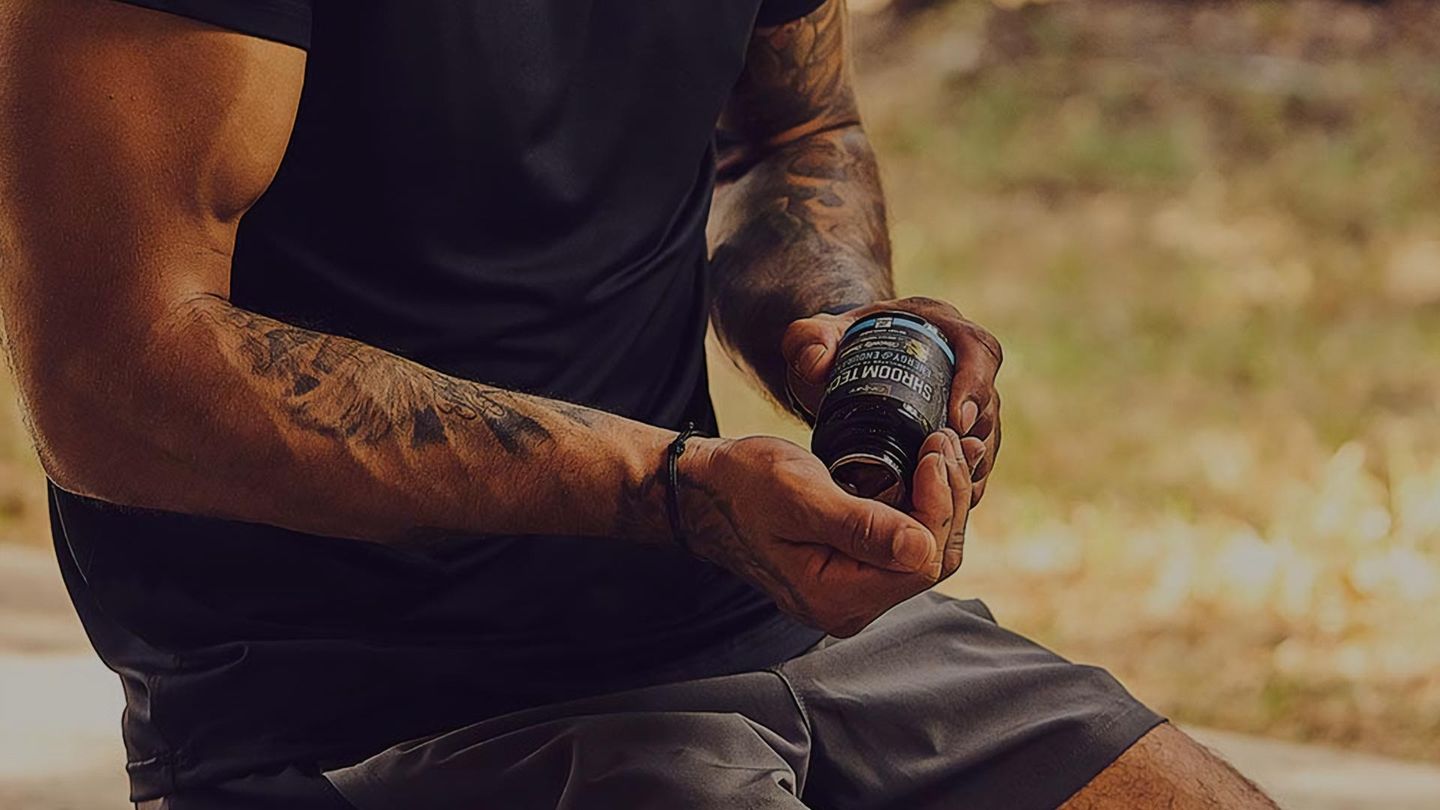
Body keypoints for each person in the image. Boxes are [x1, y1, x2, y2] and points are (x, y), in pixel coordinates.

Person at [0, 0, 1276, 807]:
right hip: (355, 706)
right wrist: (666, 488)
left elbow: (792, 130)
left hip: (740, 613)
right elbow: (114, 372)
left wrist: (838, 336)